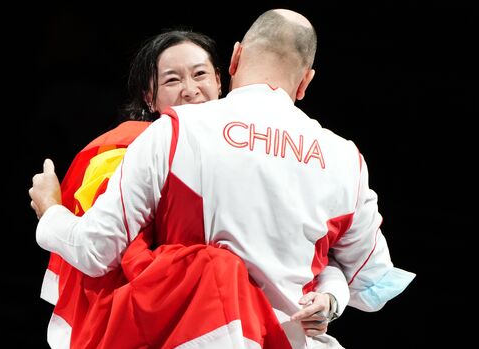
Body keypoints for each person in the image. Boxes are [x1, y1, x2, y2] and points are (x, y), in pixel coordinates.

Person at [36, 27, 349, 349]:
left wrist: (331, 297)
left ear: (222, 77)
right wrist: (52, 212)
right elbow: (98, 251)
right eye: (172, 80)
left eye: (199, 74)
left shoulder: (263, 153)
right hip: (186, 331)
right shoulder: (123, 154)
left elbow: (313, 249)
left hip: (272, 333)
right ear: (149, 96)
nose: (189, 90)